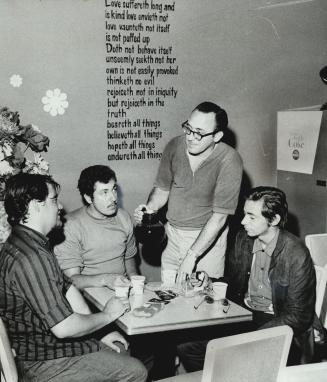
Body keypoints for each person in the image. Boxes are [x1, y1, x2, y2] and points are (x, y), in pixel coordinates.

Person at [0, 173, 147, 382]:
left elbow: (66, 287)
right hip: (43, 361)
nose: (59, 206)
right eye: (53, 200)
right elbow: (64, 327)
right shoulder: (30, 258)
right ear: (35, 206)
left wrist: (101, 333)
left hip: (46, 347)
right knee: (136, 371)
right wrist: (107, 315)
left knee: (121, 350)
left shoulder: (29, 242)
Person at [177, 186, 317, 371]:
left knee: (239, 357)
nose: (243, 221)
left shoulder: (297, 254)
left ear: (274, 219)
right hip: (245, 316)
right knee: (187, 347)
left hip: (279, 324)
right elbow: (233, 284)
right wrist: (209, 281)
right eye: (244, 214)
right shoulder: (243, 239)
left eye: (252, 217)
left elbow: (298, 316)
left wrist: (251, 338)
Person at [135, 101, 243, 280]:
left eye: (199, 133)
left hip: (207, 241)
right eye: (188, 128)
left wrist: (192, 256)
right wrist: (149, 211)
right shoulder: (174, 146)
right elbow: (162, 189)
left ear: (217, 136)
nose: (190, 137)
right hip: (172, 235)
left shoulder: (229, 160)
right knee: (169, 294)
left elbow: (219, 217)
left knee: (200, 303)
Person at [55, 165, 139, 290]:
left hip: (121, 289)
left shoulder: (123, 217)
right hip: (90, 296)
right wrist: (106, 279)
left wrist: (135, 284)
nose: (113, 198)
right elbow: (71, 280)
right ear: (88, 198)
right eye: (104, 192)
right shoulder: (69, 226)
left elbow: (129, 258)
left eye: (114, 189)